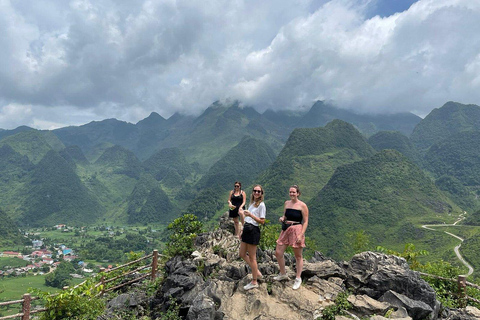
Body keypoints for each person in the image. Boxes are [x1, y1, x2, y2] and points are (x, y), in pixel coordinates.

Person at [274, 185, 309, 290]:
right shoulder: (287, 203)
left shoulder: (302, 205)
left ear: (298, 193)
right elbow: (285, 216)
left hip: (297, 229)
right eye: (290, 192)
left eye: (294, 192)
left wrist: (301, 234)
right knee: (278, 252)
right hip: (286, 229)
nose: (292, 194)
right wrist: (282, 218)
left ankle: (298, 278)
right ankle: (283, 273)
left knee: (298, 256)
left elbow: (306, 221)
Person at [239, 185, 266, 291]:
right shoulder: (252, 204)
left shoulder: (261, 205)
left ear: (261, 194)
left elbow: (262, 221)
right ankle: (257, 272)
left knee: (252, 257)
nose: (256, 193)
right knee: (241, 254)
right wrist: (242, 228)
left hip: (253, 231)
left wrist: (251, 215)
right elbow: (247, 219)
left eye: (258, 191)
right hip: (247, 229)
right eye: (255, 191)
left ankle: (254, 281)